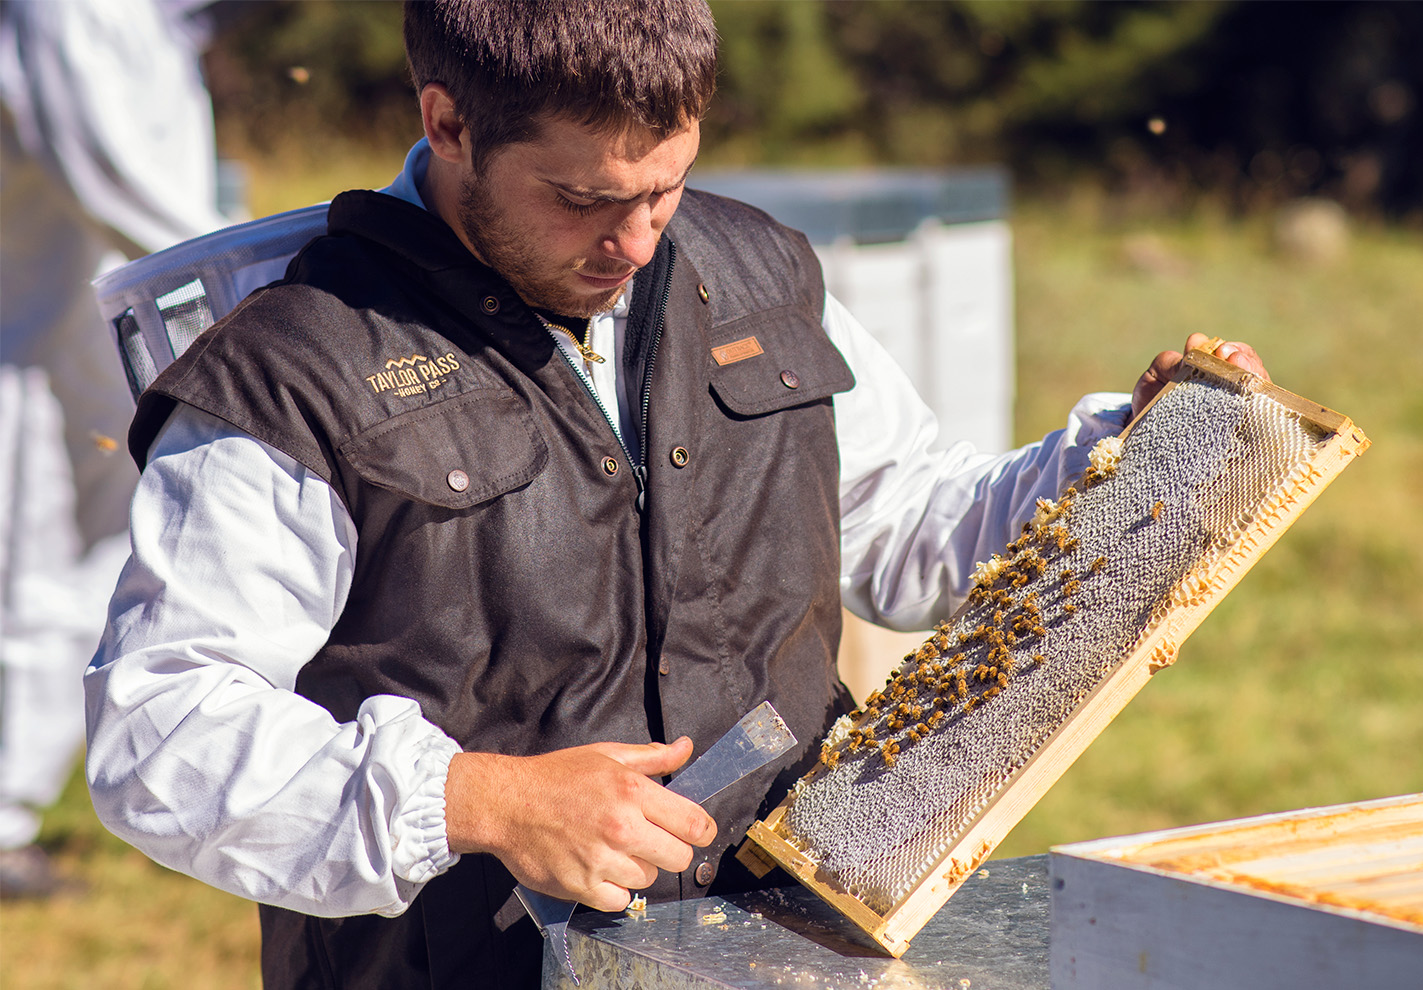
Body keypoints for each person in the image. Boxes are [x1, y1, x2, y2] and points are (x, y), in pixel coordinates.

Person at [83, 1, 1267, 986]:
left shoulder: (752, 268)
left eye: (668, 188)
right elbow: (159, 727)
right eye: (585, 202)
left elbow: (913, 524)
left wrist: (1131, 464)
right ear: (447, 122)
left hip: (794, 949)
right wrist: (477, 799)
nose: (640, 242)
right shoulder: (292, 364)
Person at [0, 0, 226, 898]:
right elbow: (109, 168)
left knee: (83, 563)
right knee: (27, 564)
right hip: (31, 337)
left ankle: (20, 798)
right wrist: (266, 279)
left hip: (100, 334)